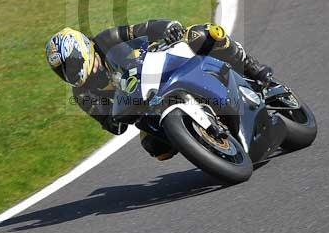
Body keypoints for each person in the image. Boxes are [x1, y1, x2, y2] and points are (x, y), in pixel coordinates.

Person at [46, 20, 275, 160]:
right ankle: (205, 143)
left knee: (204, 33)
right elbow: (112, 125)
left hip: (161, 68)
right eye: (62, 71)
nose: (70, 73)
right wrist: (115, 118)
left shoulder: (106, 39)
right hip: (146, 107)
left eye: (71, 64)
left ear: (82, 49)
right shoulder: (83, 95)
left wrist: (168, 29)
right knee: (156, 148)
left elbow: (141, 29)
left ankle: (252, 68)